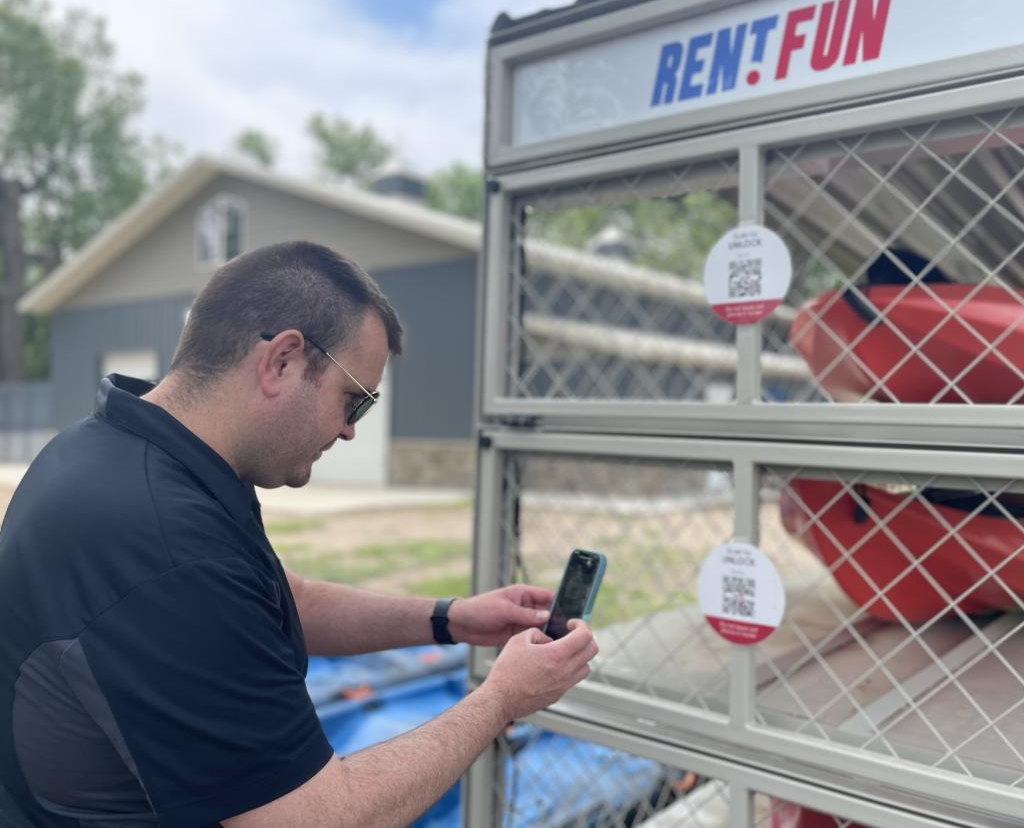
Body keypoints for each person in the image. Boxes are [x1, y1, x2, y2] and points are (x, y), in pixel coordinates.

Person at [0, 241, 598, 827]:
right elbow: (315, 817)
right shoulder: (167, 545)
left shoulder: (116, 449)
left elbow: (290, 598)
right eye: (354, 402)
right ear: (282, 360)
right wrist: (501, 700)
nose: (349, 432)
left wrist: (451, 618)